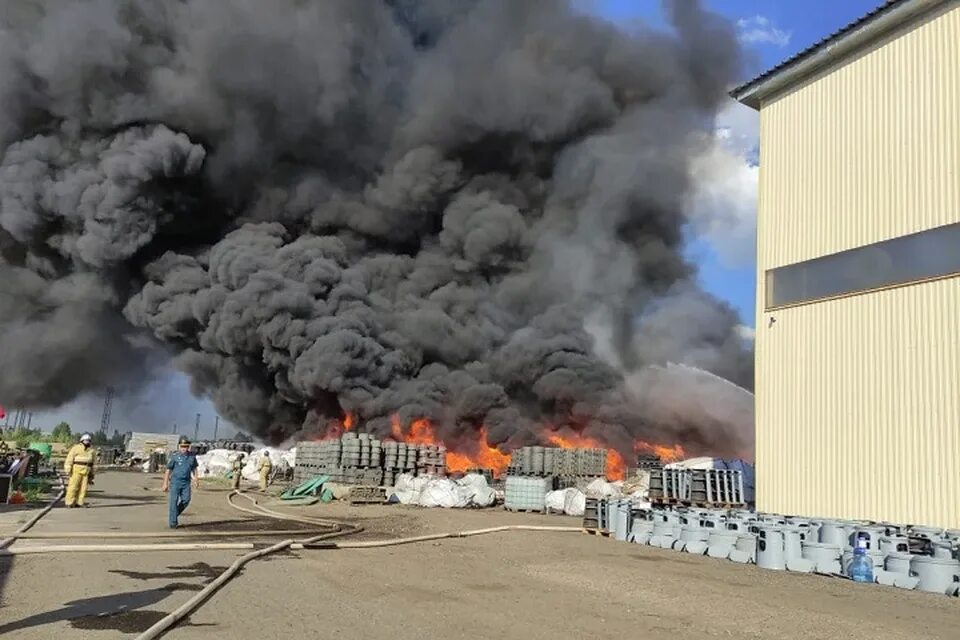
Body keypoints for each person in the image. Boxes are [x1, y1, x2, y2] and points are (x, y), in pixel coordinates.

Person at [162, 437, 199, 529]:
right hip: (175, 482)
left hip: (186, 483)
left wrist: (196, 479)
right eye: (182, 446)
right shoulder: (175, 456)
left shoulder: (191, 457)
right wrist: (165, 483)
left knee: (186, 500)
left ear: (189, 447)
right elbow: (168, 470)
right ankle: (173, 523)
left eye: (186, 446)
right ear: (179, 446)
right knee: (173, 502)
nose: (184, 448)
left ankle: (174, 514)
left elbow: (194, 468)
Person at [63, 433, 96, 508]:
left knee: (83, 488)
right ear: (82, 440)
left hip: (86, 472)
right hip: (76, 471)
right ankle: (69, 502)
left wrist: (92, 473)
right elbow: (69, 459)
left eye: (88, 440)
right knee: (73, 486)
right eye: (86, 440)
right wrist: (68, 469)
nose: (87, 442)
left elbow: (94, 463)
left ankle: (80, 502)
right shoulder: (76, 448)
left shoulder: (92, 451)